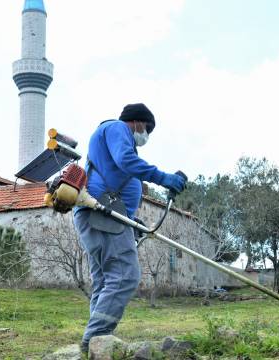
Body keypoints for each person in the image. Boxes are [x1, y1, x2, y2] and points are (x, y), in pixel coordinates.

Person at [73, 103, 186, 354]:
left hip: (104, 216)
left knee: (105, 281)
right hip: (101, 213)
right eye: (146, 129)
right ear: (136, 122)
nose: (145, 136)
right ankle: (95, 338)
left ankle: (95, 347)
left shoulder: (113, 139)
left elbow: (120, 171)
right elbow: (126, 161)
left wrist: (133, 223)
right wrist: (163, 177)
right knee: (125, 276)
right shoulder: (116, 128)